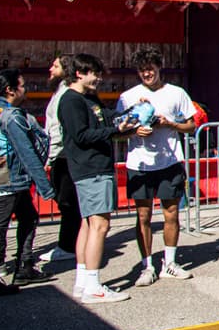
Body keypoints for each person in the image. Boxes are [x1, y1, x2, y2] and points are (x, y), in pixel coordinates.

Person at [59, 53, 147, 304]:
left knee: (88, 224)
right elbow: (82, 135)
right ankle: (93, 285)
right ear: (79, 73)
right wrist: (116, 131)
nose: (98, 78)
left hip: (95, 167)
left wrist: (131, 112)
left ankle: (83, 281)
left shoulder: (88, 98)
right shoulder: (71, 100)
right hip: (91, 168)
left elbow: (105, 117)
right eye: (94, 73)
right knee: (100, 225)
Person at [116, 48, 197, 286]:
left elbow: (191, 125)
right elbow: (118, 131)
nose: (147, 74)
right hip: (139, 163)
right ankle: (147, 266)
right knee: (143, 216)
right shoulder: (128, 96)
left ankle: (170, 263)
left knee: (171, 213)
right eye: (142, 70)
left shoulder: (176, 93)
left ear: (159, 68)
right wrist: (134, 130)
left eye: (150, 69)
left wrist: (169, 123)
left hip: (170, 161)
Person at [0, 69, 52, 293]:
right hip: (7, 177)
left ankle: (25, 265)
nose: (25, 89)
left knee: (28, 217)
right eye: (22, 85)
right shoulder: (11, 115)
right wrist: (44, 185)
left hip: (0, 174)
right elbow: (26, 151)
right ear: (10, 89)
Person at [41, 55, 80, 264]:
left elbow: (57, 128)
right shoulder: (59, 91)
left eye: (55, 66)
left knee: (67, 203)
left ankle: (67, 245)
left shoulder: (65, 93)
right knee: (64, 201)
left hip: (63, 155)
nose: (51, 69)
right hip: (59, 154)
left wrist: (50, 155)